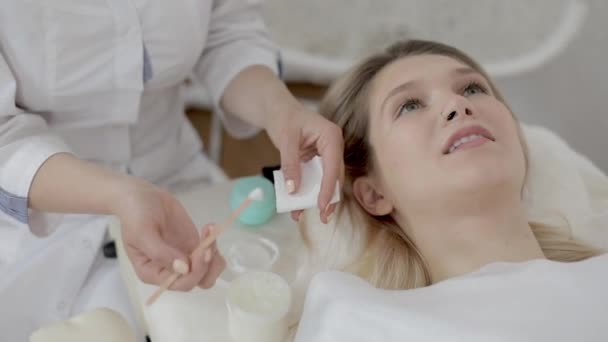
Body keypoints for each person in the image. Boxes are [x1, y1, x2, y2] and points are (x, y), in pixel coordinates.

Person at [0, 1, 343, 340]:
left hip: (177, 183)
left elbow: (226, 34)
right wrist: (121, 196)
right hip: (41, 208)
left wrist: (281, 112)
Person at [294, 38, 605, 297]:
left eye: (472, 88)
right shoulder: (361, 323)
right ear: (373, 194)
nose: (457, 104)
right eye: (409, 105)